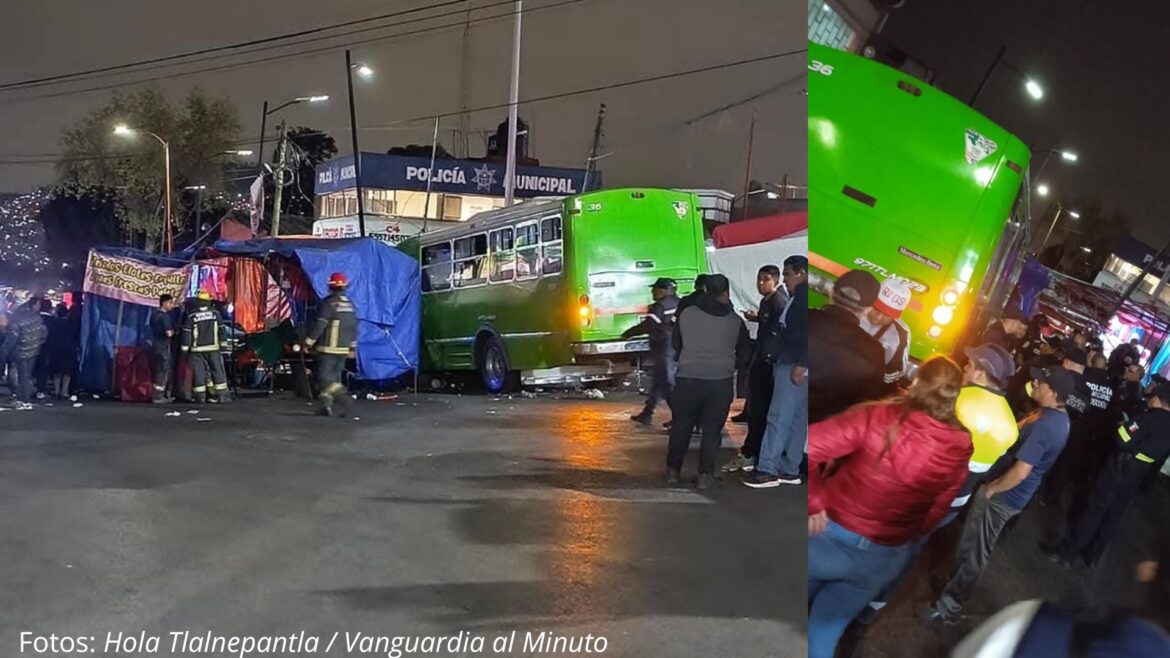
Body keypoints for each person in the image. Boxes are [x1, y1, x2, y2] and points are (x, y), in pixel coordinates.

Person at [806, 356, 972, 658]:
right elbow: (937, 509)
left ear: (918, 382)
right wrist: (902, 538)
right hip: (883, 558)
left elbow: (810, 445)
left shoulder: (879, 416)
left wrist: (815, 502)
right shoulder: (959, 446)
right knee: (825, 628)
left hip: (829, 536)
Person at [860, 343, 1018, 622]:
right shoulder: (1011, 424)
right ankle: (875, 607)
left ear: (981, 374)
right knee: (911, 549)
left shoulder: (958, 399)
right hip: (954, 503)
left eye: (971, 366)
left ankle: (854, 593)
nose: (966, 369)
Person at [919, 365, 1075, 625]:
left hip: (1005, 496)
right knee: (971, 543)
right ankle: (951, 582)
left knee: (975, 550)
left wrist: (991, 489)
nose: (1035, 385)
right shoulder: (1059, 417)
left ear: (1053, 392)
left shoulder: (1046, 425)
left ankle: (949, 607)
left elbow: (1022, 471)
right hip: (1012, 495)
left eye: (1041, 384)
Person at [1041, 383, 1170, 569]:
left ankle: (1066, 552)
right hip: (1139, 472)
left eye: (1152, 398)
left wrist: (1123, 426)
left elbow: (1122, 439)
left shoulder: (1147, 418)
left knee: (1094, 509)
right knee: (1113, 515)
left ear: (1157, 399)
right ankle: (1093, 555)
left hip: (1119, 468)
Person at [665, 274, 751, 490]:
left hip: (687, 378)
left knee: (681, 426)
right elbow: (745, 353)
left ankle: (672, 472)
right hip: (719, 381)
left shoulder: (687, 314)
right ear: (726, 293)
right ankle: (705, 475)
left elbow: (676, 343)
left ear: (704, 290)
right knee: (712, 430)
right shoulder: (735, 321)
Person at [744, 256, 808, 487]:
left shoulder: (800, 299)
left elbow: (802, 333)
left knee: (778, 416)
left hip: (792, 363)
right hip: (796, 362)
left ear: (800, 273)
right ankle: (790, 468)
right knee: (797, 419)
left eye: (788, 274)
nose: (786, 279)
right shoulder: (796, 297)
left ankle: (767, 469)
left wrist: (801, 363)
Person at [722, 265, 784, 473]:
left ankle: (754, 454)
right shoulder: (766, 302)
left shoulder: (778, 302)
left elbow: (778, 332)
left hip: (769, 363)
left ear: (776, 280)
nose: (760, 283)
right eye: (758, 279)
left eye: (765, 279)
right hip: (761, 360)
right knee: (757, 410)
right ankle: (754, 452)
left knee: (762, 413)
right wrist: (757, 318)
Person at [808, 269, 885, 424]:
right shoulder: (874, 352)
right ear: (868, 309)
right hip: (825, 435)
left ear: (831, 292)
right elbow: (868, 407)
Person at [623, 278, 680, 426]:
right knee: (658, 381)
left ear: (665, 290)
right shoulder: (679, 303)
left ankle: (680, 417)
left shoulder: (659, 306)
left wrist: (628, 333)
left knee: (666, 383)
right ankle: (647, 413)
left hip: (663, 347)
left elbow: (648, 325)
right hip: (674, 345)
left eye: (655, 289)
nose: (652, 292)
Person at [305, 272, 358, 417]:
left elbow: (320, 325)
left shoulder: (329, 304)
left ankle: (345, 401)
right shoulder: (349, 305)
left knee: (325, 379)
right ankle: (325, 407)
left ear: (330, 286)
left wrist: (308, 342)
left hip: (328, 348)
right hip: (343, 349)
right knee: (334, 379)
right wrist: (352, 348)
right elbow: (353, 327)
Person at [858, 277, 912, 395]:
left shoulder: (902, 333)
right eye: (877, 309)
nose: (879, 317)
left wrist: (874, 377)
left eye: (887, 315)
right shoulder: (855, 310)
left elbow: (898, 370)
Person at [180, 290, 230, 404]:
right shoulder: (216, 313)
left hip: (196, 350)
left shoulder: (191, 315)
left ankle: (200, 397)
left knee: (199, 373)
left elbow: (187, 334)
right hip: (213, 348)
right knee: (217, 371)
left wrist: (184, 351)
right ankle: (221, 396)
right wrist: (224, 348)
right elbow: (222, 331)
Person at [0, 303, 47, 408]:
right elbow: (44, 332)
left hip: (21, 350)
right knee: (28, 375)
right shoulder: (36, 317)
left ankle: (23, 398)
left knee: (22, 375)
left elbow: (13, 337)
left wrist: (4, 351)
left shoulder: (15, 320)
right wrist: (38, 343)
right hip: (34, 349)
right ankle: (26, 396)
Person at [45, 304, 77, 400]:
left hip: (55, 349)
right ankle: (64, 391)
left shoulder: (53, 323)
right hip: (68, 349)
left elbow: (49, 336)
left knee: (56, 371)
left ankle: (56, 390)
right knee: (67, 371)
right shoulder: (71, 324)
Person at [150, 294, 178, 404]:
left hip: (156, 345)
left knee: (159, 369)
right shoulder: (164, 316)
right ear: (164, 303)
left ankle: (159, 395)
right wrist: (175, 331)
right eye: (171, 303)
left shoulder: (153, 314)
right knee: (163, 370)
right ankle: (158, 396)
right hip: (163, 346)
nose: (172, 305)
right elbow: (169, 333)